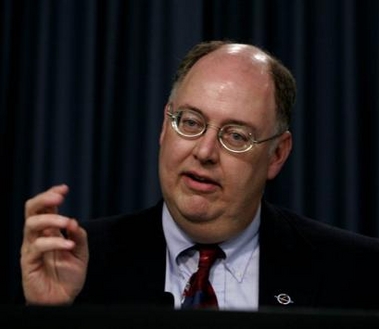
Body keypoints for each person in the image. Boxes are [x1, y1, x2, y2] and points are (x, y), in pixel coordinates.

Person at [20, 40, 379, 311]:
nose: (205, 152)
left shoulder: (356, 272)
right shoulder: (77, 265)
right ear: (165, 126)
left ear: (278, 154)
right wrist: (49, 318)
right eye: (190, 123)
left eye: (236, 136)